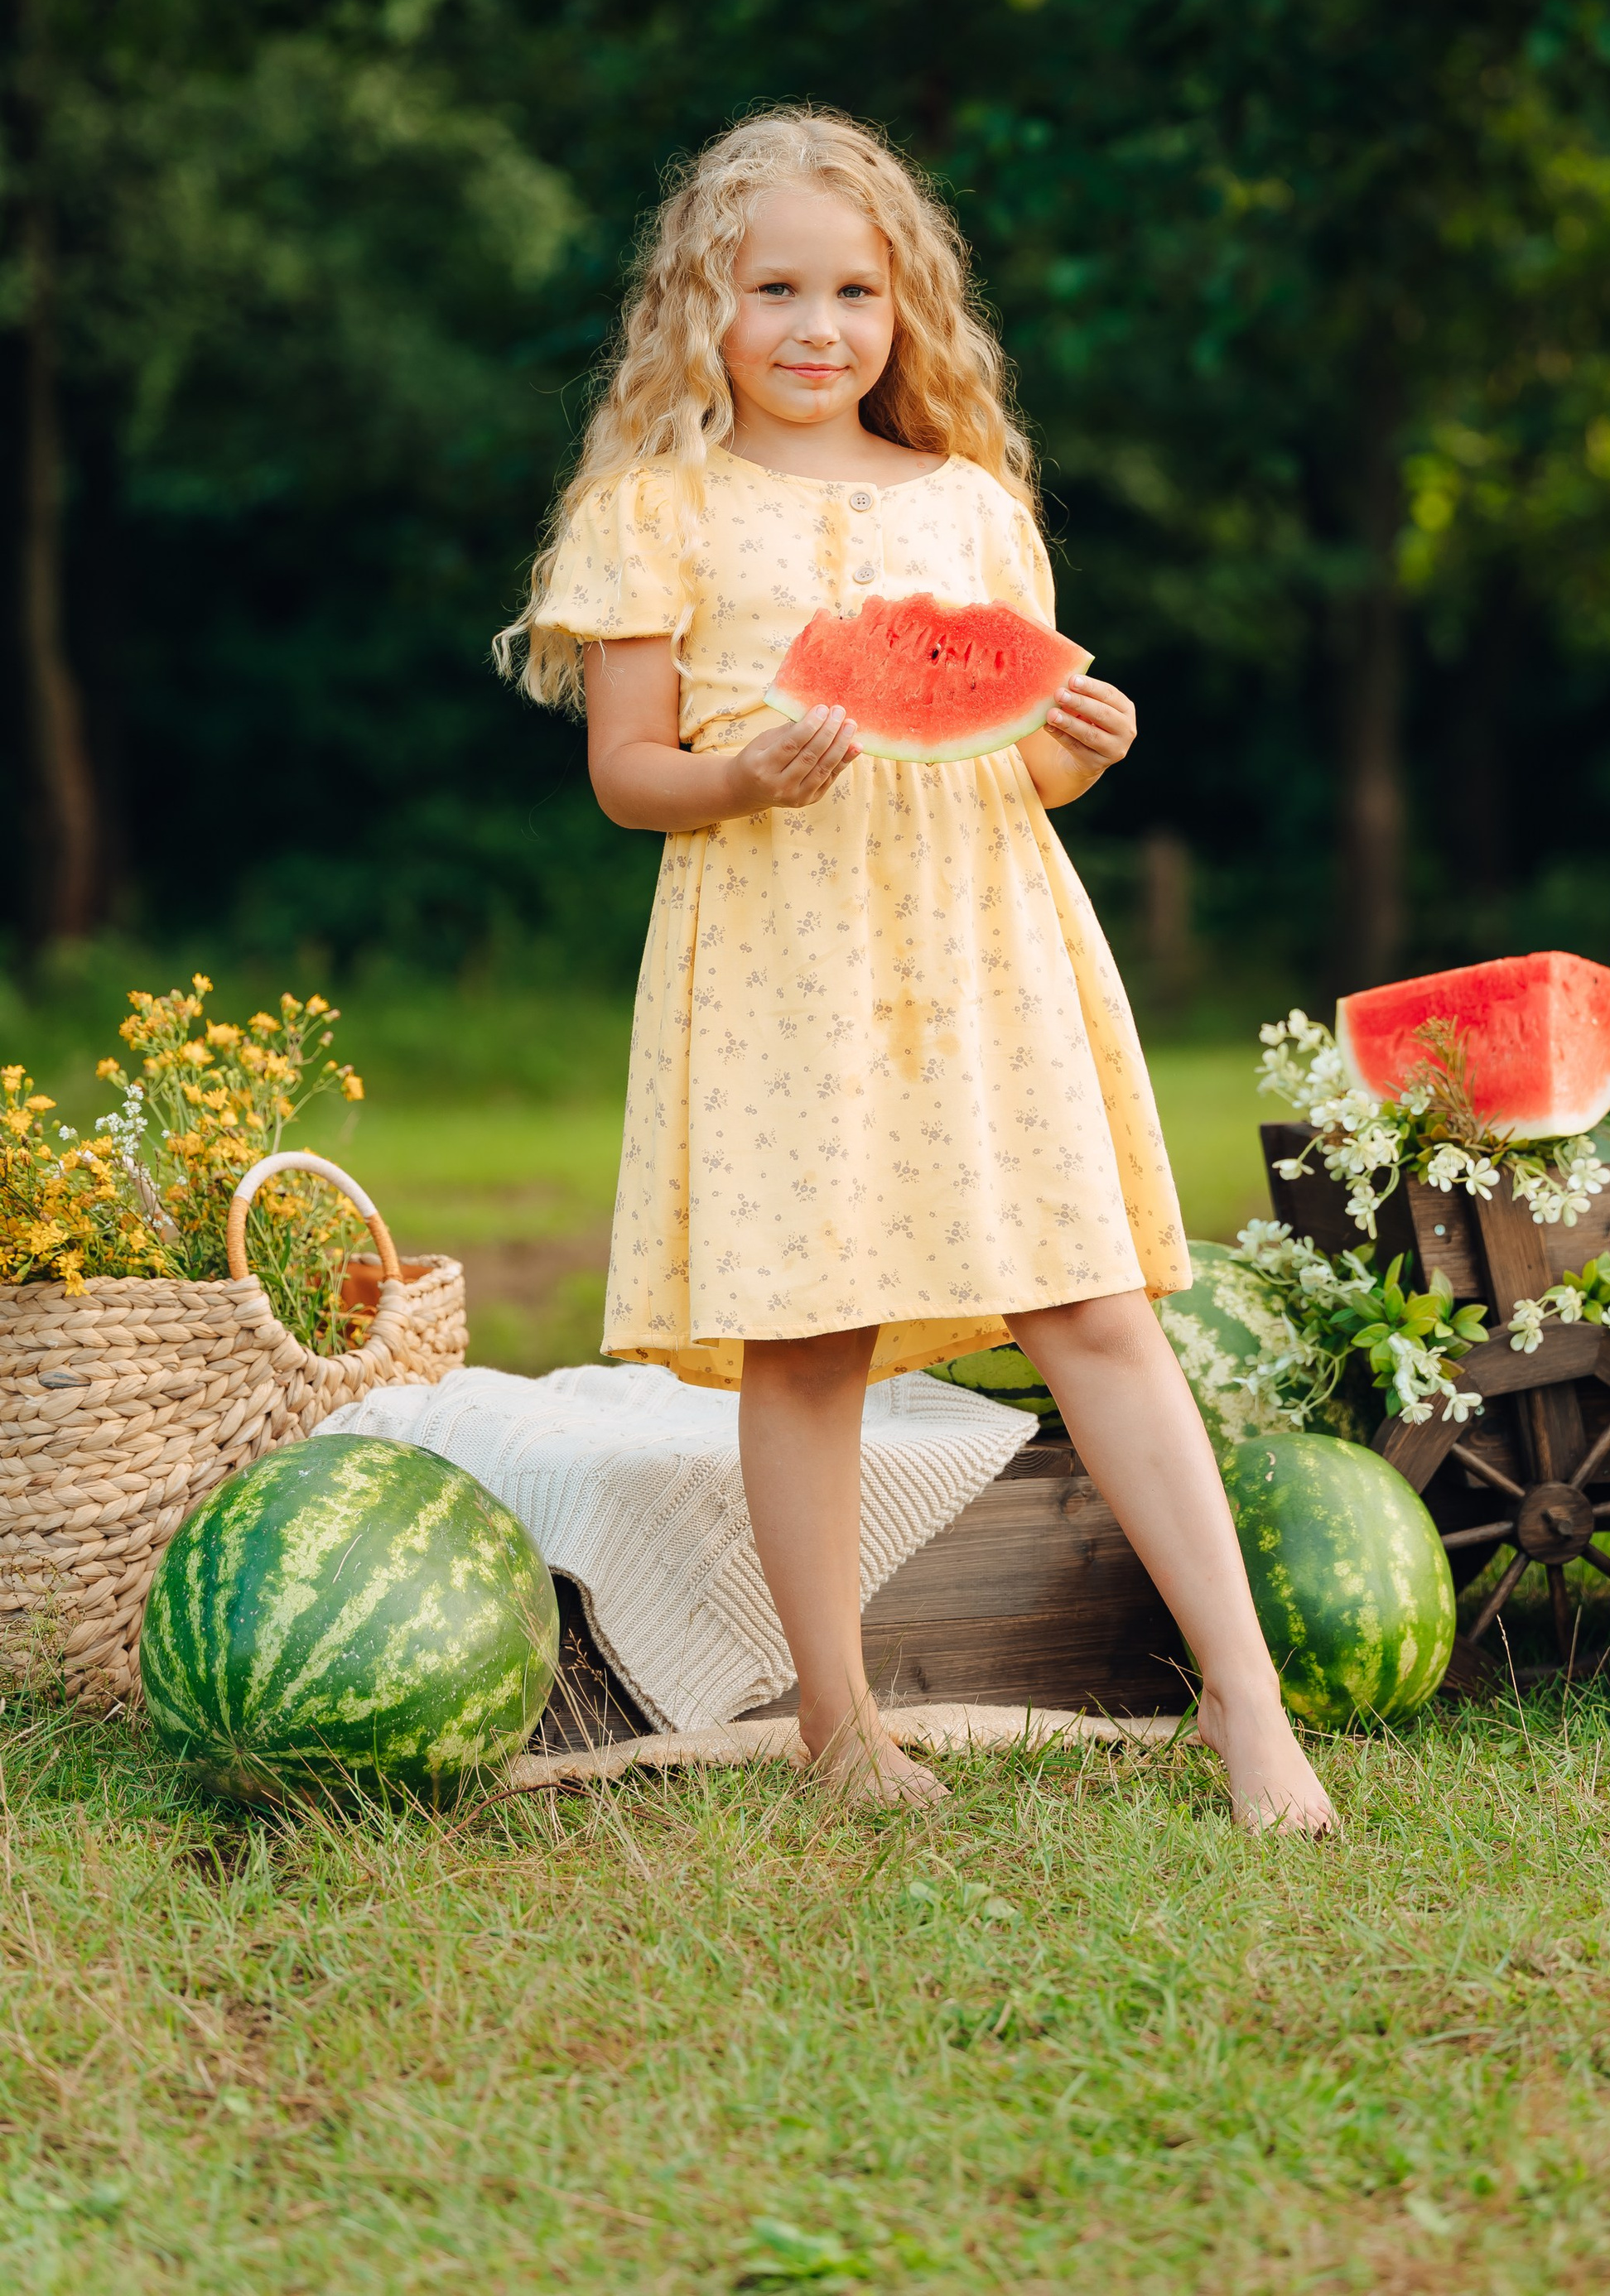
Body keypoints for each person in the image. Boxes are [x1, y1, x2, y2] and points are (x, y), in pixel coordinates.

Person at [503, 108, 1333, 1832]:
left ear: (907, 310)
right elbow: (627, 774)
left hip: (980, 941)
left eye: (856, 292)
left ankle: (1246, 1708)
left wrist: (1079, 753)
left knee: (1092, 1308)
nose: (818, 329)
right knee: (811, 1340)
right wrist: (745, 775)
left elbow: (1004, 753)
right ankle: (837, 1722)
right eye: (774, 290)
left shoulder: (971, 504)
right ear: (698, 311)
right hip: (773, 952)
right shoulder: (648, 508)